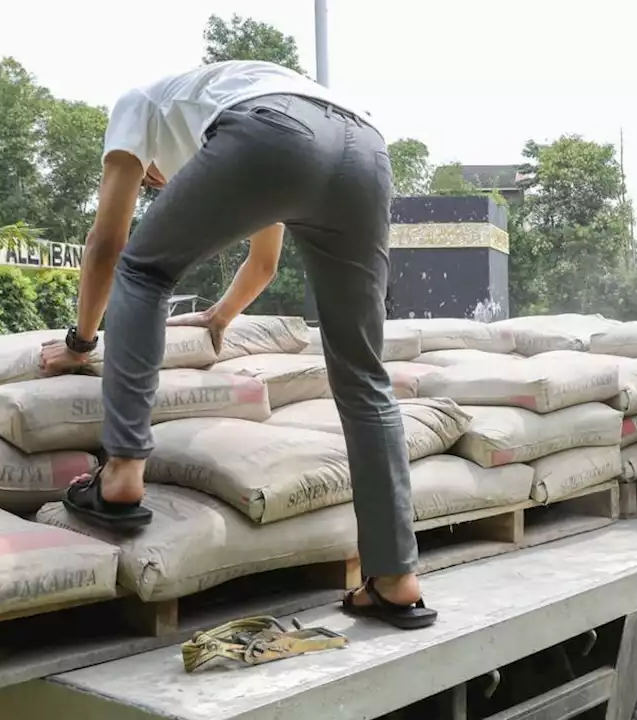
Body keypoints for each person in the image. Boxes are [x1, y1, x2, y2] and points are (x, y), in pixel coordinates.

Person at [36, 60, 436, 631]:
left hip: (273, 130)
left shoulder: (138, 104)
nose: (156, 183)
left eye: (151, 180)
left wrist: (80, 342)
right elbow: (264, 260)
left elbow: (108, 242)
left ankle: (121, 473)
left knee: (144, 271)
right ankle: (396, 580)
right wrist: (221, 314)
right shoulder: (225, 98)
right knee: (363, 375)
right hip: (365, 149)